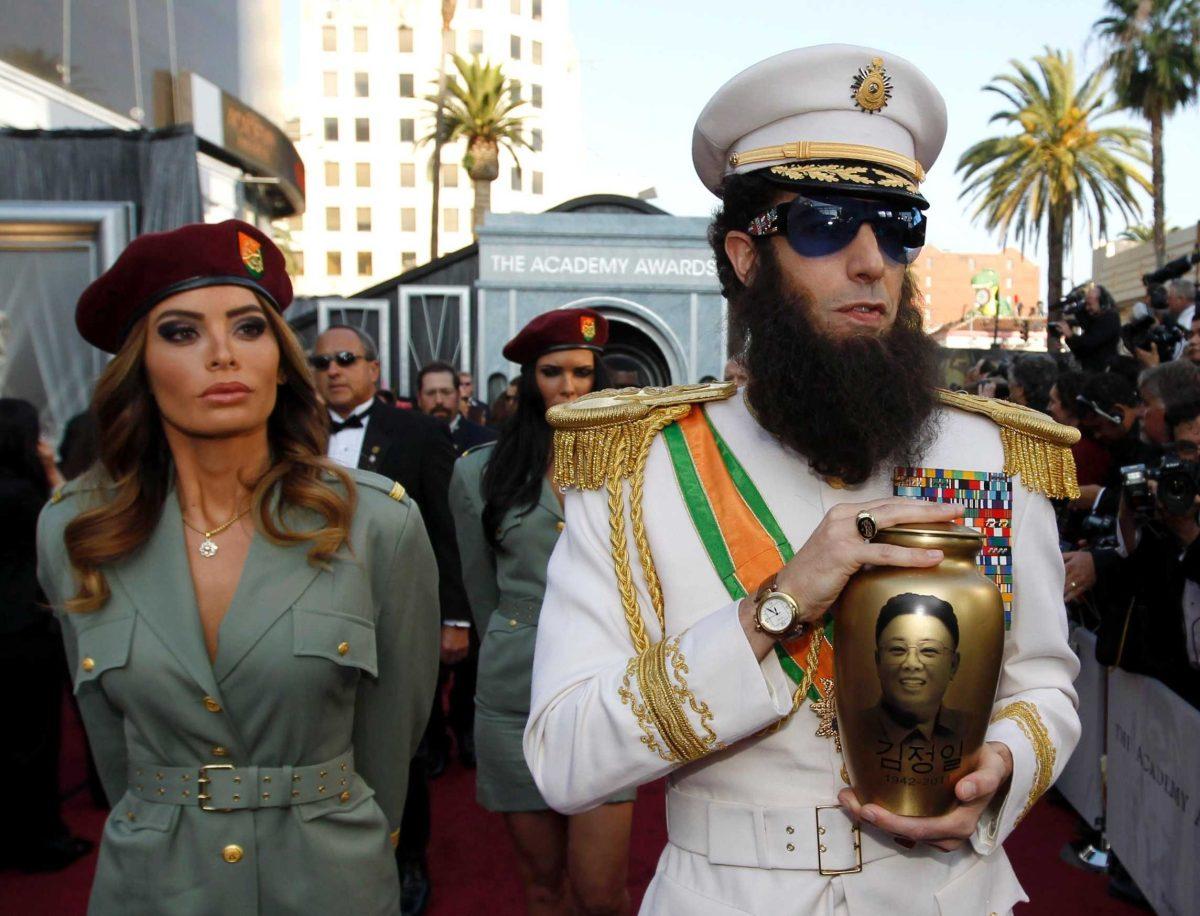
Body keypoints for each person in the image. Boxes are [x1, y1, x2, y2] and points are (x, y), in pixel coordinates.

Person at [524, 46, 1081, 915]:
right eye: (825, 224)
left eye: (899, 227)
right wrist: (773, 607)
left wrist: (1000, 765)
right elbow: (565, 757)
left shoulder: (992, 455)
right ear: (748, 256)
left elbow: (1045, 682)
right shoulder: (639, 467)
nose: (872, 262)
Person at [37, 219, 440, 914]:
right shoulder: (76, 529)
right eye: (181, 332)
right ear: (141, 362)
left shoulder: (377, 524)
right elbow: (113, 751)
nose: (223, 354)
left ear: (281, 360)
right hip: (155, 886)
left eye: (249, 328)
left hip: (328, 883)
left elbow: (390, 740)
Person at [449, 308, 635, 915]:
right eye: (552, 372)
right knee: (544, 889)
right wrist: (509, 639)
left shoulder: (632, 467)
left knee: (602, 893)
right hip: (512, 693)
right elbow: (481, 590)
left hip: (605, 685)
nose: (569, 387)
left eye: (582, 372)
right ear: (529, 380)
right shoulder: (480, 472)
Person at [311, 326, 471, 915]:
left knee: (402, 740)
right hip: (308, 614)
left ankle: (406, 860)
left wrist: (455, 617)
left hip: (391, 613)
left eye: (346, 359)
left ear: (374, 369)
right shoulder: (288, 433)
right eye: (322, 361)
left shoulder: (418, 432)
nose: (333, 370)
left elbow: (446, 530)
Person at [0, 399, 91, 873]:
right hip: (23, 634)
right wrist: (52, 472)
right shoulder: (27, 499)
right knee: (33, 742)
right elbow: (73, 531)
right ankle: (41, 841)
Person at [868, 594, 966, 780]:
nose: (911, 664)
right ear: (878, 661)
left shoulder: (970, 729)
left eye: (929, 650)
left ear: (953, 665)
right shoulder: (856, 726)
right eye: (898, 649)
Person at [417, 360, 497, 455]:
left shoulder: (486, 442)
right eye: (430, 393)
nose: (439, 401)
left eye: (446, 392)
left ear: (458, 395)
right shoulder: (405, 439)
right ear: (419, 398)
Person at [1052, 283, 1120, 372]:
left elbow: (1089, 343)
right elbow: (1080, 351)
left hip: (1103, 372)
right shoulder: (1093, 322)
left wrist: (1070, 335)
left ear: (1102, 302)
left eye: (1090, 304)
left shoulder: (1110, 318)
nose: (1087, 308)